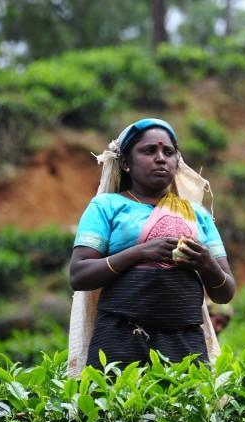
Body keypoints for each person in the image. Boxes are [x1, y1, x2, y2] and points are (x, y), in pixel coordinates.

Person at [69, 117, 235, 368]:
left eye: (168, 152)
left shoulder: (197, 214)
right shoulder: (107, 206)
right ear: (125, 163)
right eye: (149, 150)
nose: (161, 158)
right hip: (120, 340)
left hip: (185, 344)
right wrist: (140, 253)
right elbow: (79, 275)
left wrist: (204, 263)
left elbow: (225, 293)